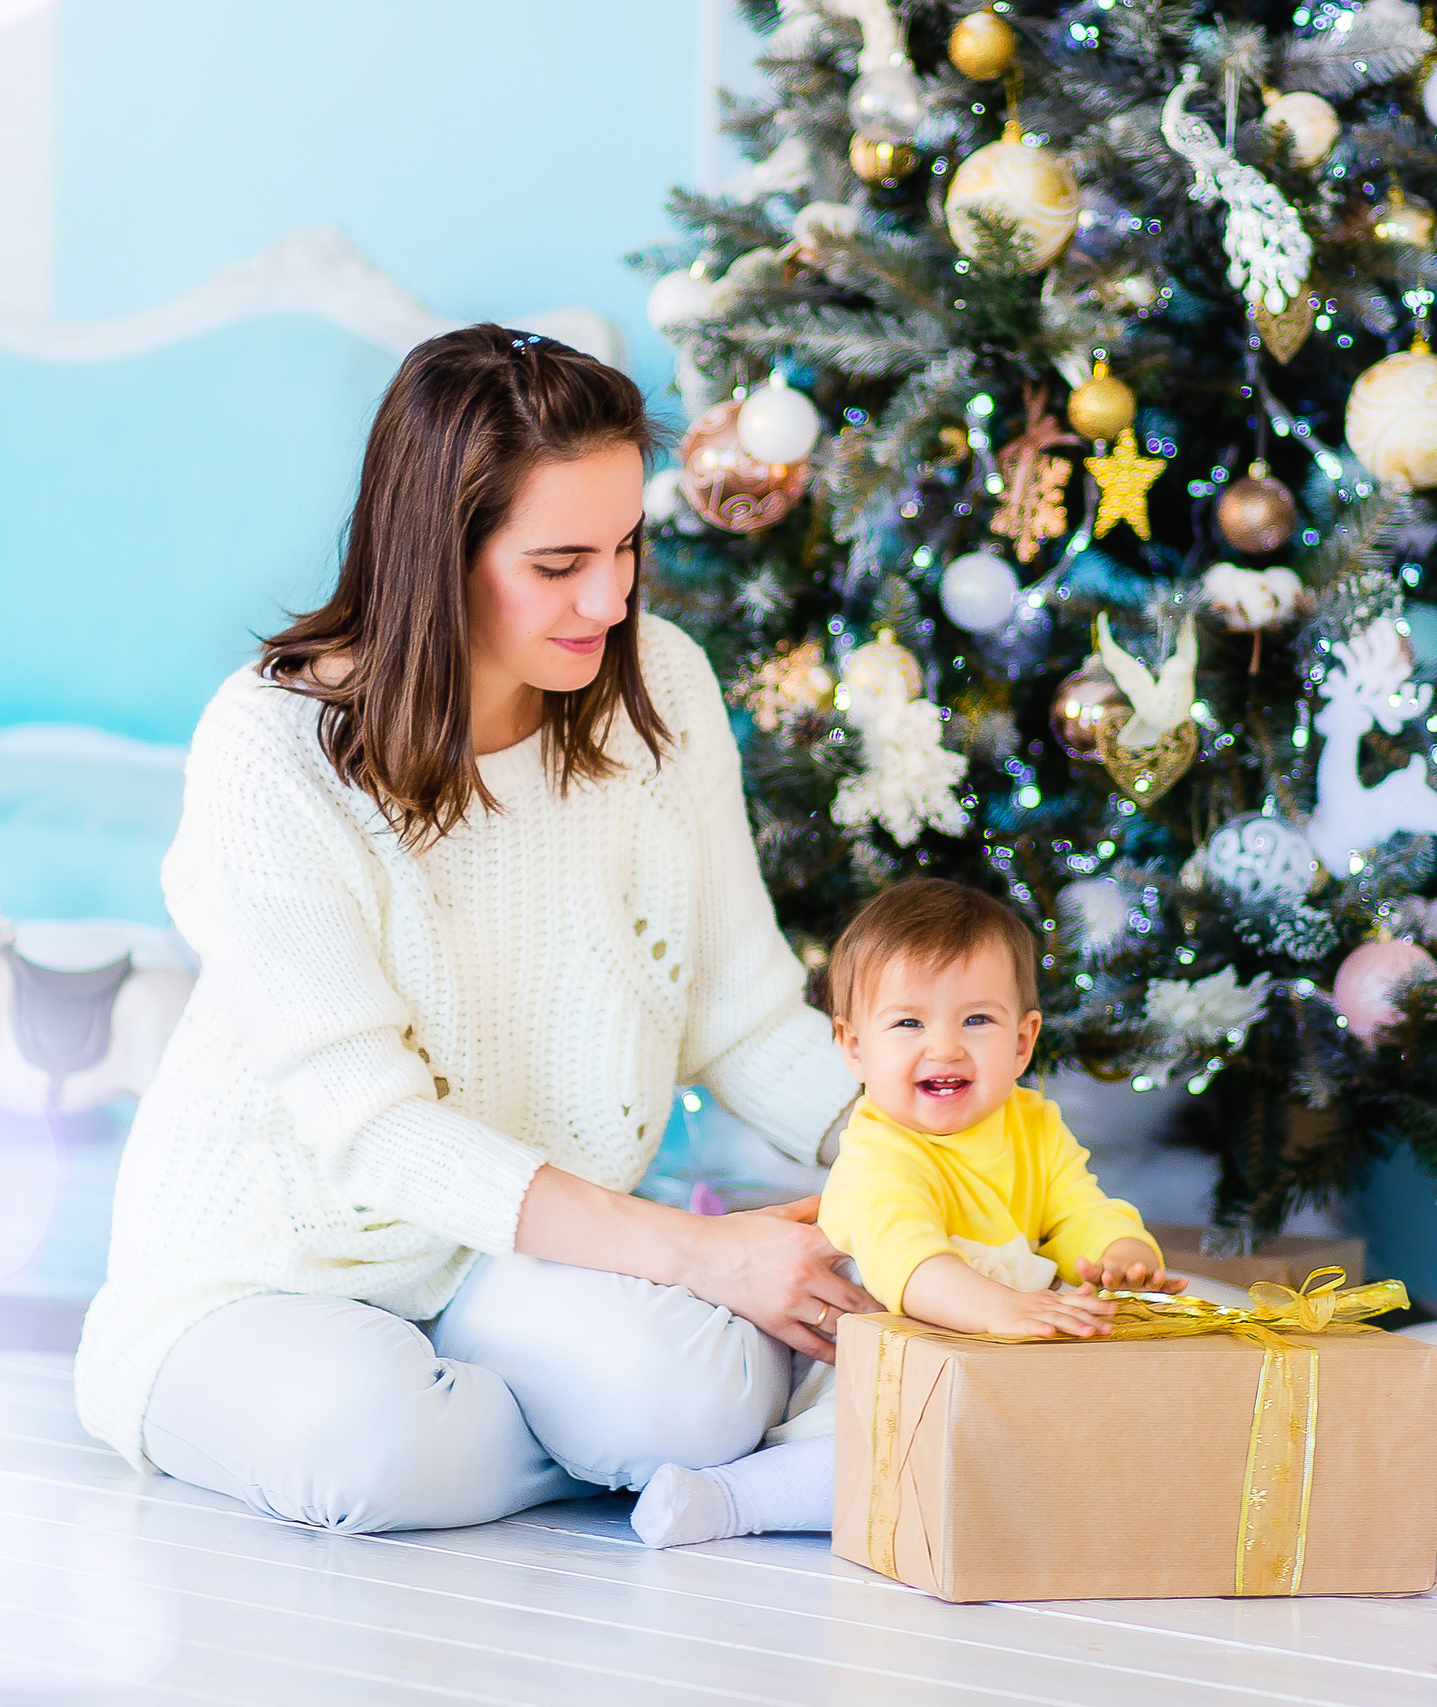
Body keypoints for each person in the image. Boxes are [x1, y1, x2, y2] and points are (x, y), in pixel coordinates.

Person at [73, 325, 879, 1533]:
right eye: (558, 563)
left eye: (626, 547)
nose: (608, 598)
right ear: (433, 555)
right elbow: (378, 1130)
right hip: (260, 1273)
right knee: (370, 1447)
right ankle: (567, 1434)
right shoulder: (270, 749)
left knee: (691, 1399)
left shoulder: (658, 684)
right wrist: (697, 1259)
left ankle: (571, 1426)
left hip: (501, 1262)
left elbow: (742, 1008)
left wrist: (958, 1161)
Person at [631, 877, 1180, 1547]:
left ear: (1022, 1040)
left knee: (1070, 1439)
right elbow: (909, 1261)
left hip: (997, 1360)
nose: (945, 1047)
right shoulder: (877, 1153)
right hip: (884, 1374)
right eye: (909, 1022)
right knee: (882, 1462)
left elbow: (1080, 1209)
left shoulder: (1034, 1125)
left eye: (976, 1019)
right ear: (855, 1046)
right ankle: (733, 1497)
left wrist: (1123, 1255)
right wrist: (1001, 1309)